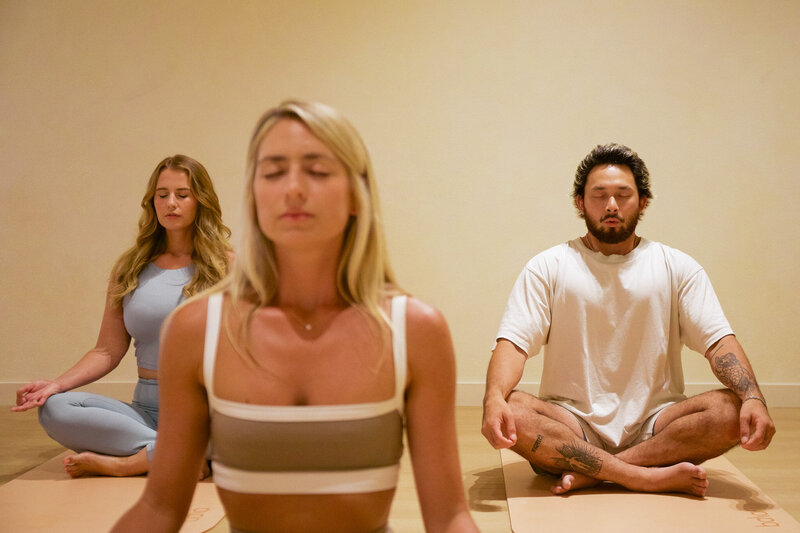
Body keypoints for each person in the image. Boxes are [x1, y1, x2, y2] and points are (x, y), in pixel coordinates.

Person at [112, 101, 478, 533]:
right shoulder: (196, 329)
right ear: (254, 196)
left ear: (356, 195)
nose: (293, 189)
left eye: (318, 171)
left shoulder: (415, 330)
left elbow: (450, 517)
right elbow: (159, 509)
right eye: (273, 172)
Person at [481, 143, 776, 497]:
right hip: (573, 426)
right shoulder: (548, 266)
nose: (611, 205)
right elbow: (512, 344)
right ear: (579, 203)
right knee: (513, 408)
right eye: (599, 195)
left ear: (643, 202)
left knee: (731, 409)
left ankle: (599, 473)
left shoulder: (677, 266)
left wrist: (754, 397)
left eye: (623, 195)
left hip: (656, 424)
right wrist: (493, 398)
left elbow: (718, 343)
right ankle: (642, 475)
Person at [13, 154, 232, 478]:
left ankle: (133, 461)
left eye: (182, 194)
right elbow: (106, 350)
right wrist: (57, 384)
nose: (171, 203)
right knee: (55, 409)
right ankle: (181, 454)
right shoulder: (130, 268)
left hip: (206, 409)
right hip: (146, 410)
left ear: (201, 201)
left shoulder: (227, 266)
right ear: (152, 202)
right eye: (162, 195)